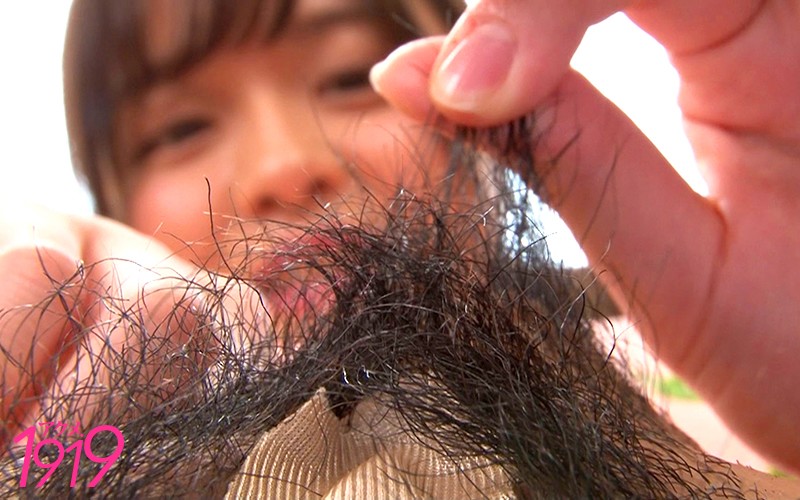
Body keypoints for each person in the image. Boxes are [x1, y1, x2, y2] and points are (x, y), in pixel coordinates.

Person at [0, 0, 798, 496]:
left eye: (352, 75)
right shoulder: (72, 454)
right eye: (179, 129)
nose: (283, 165)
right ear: (114, 210)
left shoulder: (707, 390)